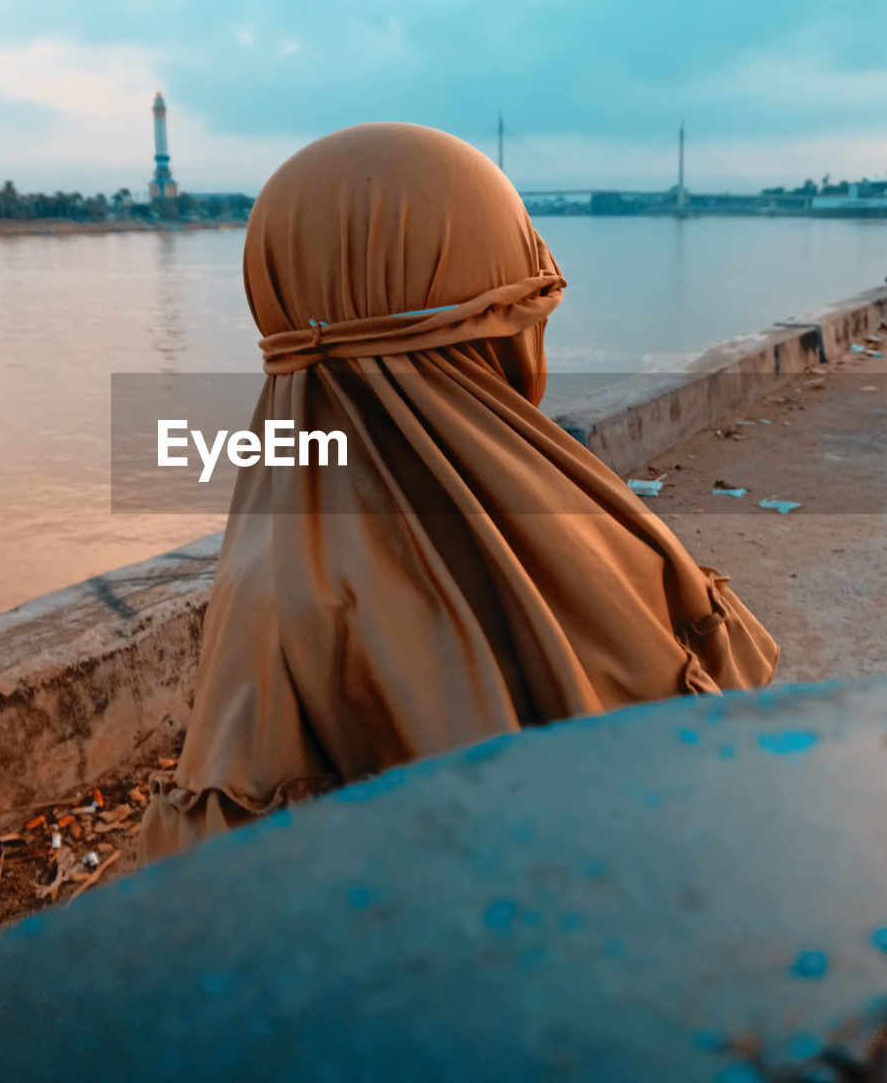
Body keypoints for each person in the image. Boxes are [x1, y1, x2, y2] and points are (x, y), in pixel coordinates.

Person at [138, 122, 779, 863]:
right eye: (525, 306)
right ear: (490, 326)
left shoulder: (284, 587)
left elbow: (230, 908)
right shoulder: (597, 516)